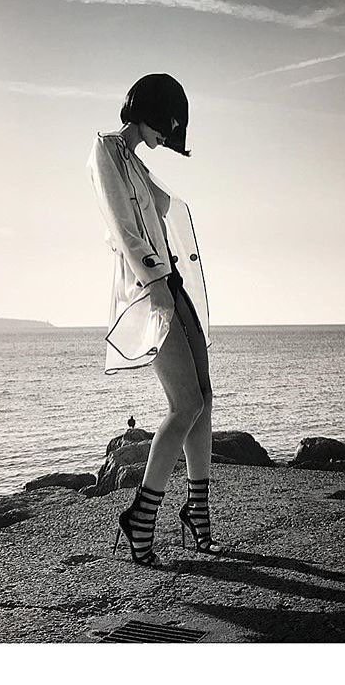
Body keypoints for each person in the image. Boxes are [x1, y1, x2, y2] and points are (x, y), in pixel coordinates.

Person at [86, 73, 223, 567]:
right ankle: (141, 516)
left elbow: (163, 213)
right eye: (167, 125)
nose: (167, 137)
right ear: (147, 111)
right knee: (185, 404)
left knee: (204, 397)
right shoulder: (106, 150)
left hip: (173, 282)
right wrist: (154, 281)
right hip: (150, 288)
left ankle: (197, 510)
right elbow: (123, 225)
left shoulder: (137, 164)